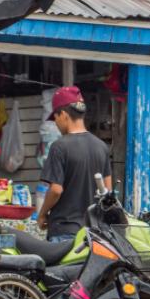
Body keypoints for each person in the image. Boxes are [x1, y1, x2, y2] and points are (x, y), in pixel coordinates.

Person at [37, 86, 112, 242]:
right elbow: (107, 191)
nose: (56, 124)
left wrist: (43, 213)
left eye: (55, 118)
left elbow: (56, 190)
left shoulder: (59, 147)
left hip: (65, 231)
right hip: (94, 233)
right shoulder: (101, 146)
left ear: (63, 115)